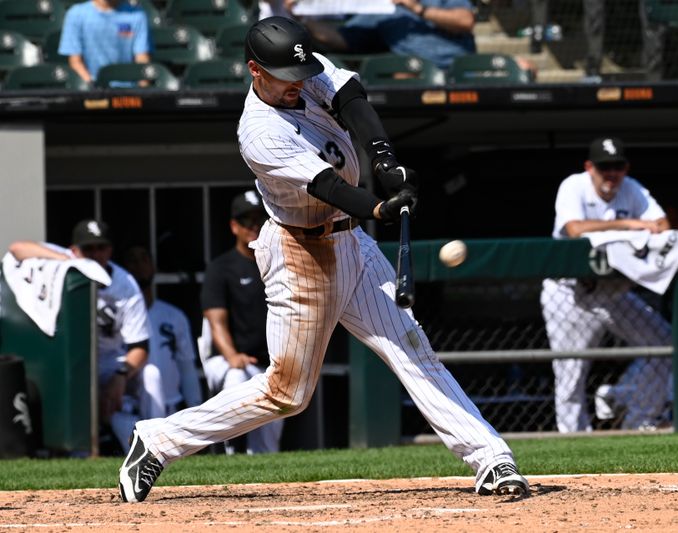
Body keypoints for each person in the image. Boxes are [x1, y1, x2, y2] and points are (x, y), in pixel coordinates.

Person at [119, 16, 528, 502]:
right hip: (300, 251)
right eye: (285, 79)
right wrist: (379, 206)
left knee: (410, 345)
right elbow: (327, 186)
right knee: (287, 392)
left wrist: (384, 161)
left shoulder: (301, 68)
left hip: (351, 241)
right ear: (255, 70)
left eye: (301, 72)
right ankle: (158, 440)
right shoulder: (258, 131)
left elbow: (352, 101)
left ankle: (491, 458)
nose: (299, 84)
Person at [540, 137, 672, 433]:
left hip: (613, 293)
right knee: (571, 372)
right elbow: (574, 229)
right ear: (590, 167)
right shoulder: (573, 186)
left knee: (664, 343)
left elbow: (663, 226)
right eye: (604, 167)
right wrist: (630, 226)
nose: (611, 173)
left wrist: (637, 225)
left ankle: (640, 421)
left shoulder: (632, 188)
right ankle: (573, 438)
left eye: (618, 166)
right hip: (571, 293)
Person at [8, 220, 150, 453]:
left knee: (152, 376)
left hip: (111, 361)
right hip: (73, 357)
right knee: (77, 379)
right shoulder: (68, 260)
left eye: (101, 248)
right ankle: (77, 451)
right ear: (75, 250)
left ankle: (162, 441)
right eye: (88, 249)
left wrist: (121, 375)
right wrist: (66, 261)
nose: (95, 255)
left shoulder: (125, 283)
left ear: (110, 250)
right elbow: (18, 248)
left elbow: (140, 346)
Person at [199, 190, 283, 454]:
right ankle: (229, 451)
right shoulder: (221, 267)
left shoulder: (278, 262)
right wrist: (233, 355)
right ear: (234, 226)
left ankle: (261, 467)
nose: (254, 227)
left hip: (266, 363)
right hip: (226, 361)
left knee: (269, 438)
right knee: (237, 378)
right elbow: (216, 320)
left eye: (259, 219)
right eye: (247, 221)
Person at [122, 246, 203, 420]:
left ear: (153, 266)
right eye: (132, 261)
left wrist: (195, 410)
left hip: (170, 409)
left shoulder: (174, 316)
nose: (138, 266)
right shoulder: (116, 315)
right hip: (129, 408)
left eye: (144, 259)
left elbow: (187, 367)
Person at [287, 0, 477, 70]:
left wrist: (417, 8)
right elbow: (341, 39)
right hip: (412, 72)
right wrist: (303, 19)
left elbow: (465, 21)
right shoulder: (380, 9)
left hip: (457, 69)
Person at [58, 0, 151, 84]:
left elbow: (142, 59)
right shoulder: (76, 14)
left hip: (128, 91)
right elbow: (75, 62)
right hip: (92, 89)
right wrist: (92, 87)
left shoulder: (138, 15)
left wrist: (142, 91)